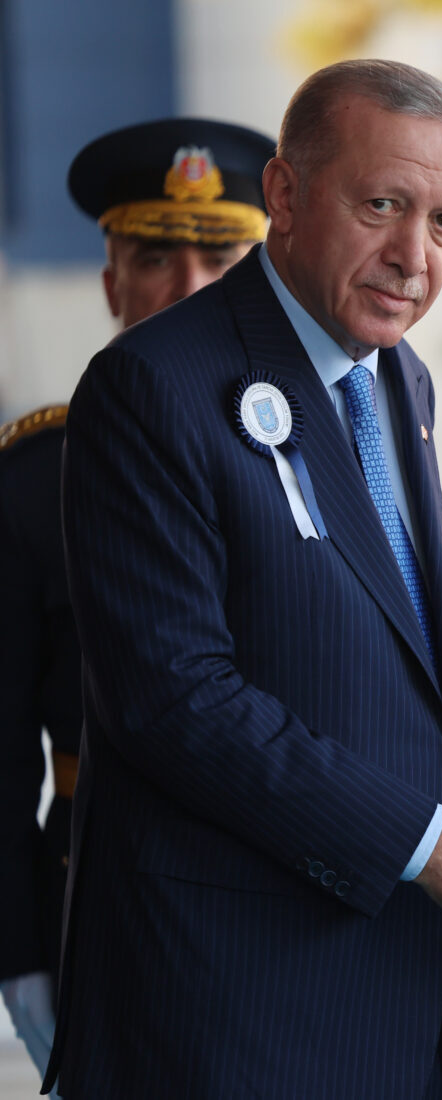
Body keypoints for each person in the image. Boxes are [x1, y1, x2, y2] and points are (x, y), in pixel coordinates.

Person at [46, 59, 442, 1099]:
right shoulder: (151, 384)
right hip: (228, 1011)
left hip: (396, 997)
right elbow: (175, 698)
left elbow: (347, 631)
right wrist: (431, 838)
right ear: (287, 196)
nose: (412, 258)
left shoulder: (399, 377)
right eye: (382, 205)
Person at [0, 116, 276, 1088]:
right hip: (108, 898)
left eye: (223, 254)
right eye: (156, 255)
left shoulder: (334, 449)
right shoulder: (35, 476)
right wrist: (20, 950)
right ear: (113, 281)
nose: (189, 287)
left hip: (307, 889)